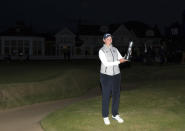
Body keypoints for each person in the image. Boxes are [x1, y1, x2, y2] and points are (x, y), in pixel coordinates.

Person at [99, 33, 128, 125]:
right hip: (106, 76)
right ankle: (105, 116)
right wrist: (119, 61)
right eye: (107, 38)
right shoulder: (101, 51)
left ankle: (115, 114)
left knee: (116, 95)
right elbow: (106, 64)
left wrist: (126, 57)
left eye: (110, 38)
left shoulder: (115, 49)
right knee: (106, 96)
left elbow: (120, 58)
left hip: (116, 75)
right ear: (104, 40)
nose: (109, 40)